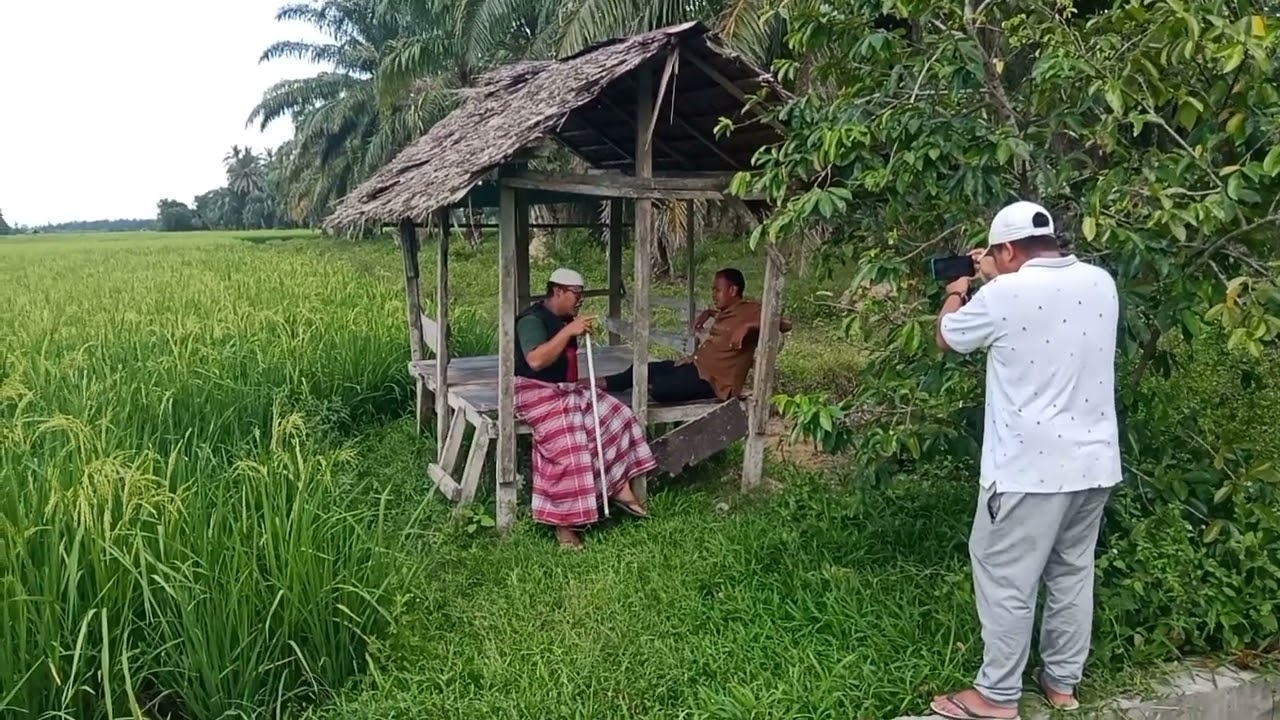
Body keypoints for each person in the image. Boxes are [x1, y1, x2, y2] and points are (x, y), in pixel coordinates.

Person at [928, 201, 1123, 720]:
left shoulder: (1003, 296)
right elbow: (1043, 306)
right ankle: (1062, 683)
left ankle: (996, 696)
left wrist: (958, 290)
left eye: (997, 252)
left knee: (1005, 576)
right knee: (1072, 571)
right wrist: (999, 275)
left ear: (1008, 249)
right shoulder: (1100, 283)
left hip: (1028, 471)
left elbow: (947, 337)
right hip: (1094, 464)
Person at [514, 267, 656, 551]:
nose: (581, 300)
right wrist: (569, 331)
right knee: (569, 442)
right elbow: (536, 361)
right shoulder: (531, 320)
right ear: (558, 291)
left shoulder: (565, 319)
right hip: (532, 391)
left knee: (619, 415)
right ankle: (564, 526)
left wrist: (571, 329)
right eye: (577, 294)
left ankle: (617, 487)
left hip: (564, 390)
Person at [593, 268, 792, 403]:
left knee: (660, 388)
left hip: (714, 383)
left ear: (733, 290)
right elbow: (728, 321)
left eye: (717, 290)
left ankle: (642, 393)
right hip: (695, 367)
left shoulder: (752, 310)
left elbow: (786, 324)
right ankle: (598, 383)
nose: (713, 294)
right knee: (643, 369)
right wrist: (709, 313)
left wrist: (749, 326)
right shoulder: (727, 311)